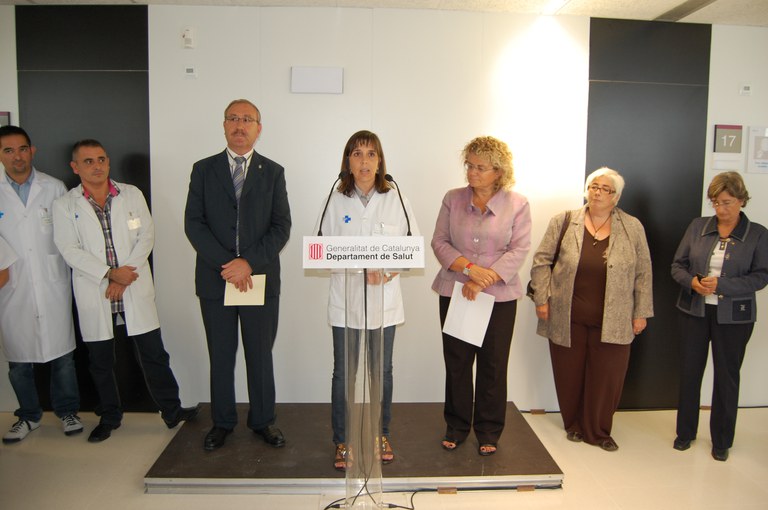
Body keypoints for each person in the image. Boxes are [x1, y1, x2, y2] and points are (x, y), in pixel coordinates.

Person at [53, 139, 199, 443]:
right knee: (101, 362)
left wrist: (122, 277)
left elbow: (146, 236)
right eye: (88, 161)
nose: (97, 166)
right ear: (75, 167)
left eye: (101, 159)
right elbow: (69, 249)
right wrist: (108, 274)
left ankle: (172, 411)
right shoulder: (65, 205)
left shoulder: (131, 194)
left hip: (131, 285)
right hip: (96, 289)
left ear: (108, 162)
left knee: (154, 355)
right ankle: (110, 417)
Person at [185, 99, 291, 451]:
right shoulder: (203, 169)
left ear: (259, 128)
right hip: (215, 280)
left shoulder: (272, 172)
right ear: (224, 125)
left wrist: (248, 263)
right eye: (233, 118)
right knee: (221, 355)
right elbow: (194, 224)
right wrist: (228, 265)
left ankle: (263, 421)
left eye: (247, 119)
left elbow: (281, 227)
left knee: (260, 355)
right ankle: (222, 422)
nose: (239, 125)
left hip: (258, 279)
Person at [315, 130, 420, 470]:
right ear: (348, 161)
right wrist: (352, 265)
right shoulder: (334, 199)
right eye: (357, 153)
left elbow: (412, 248)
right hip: (345, 300)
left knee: (381, 372)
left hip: (383, 300)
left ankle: (381, 434)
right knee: (343, 374)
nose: (364, 161)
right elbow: (318, 250)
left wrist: (387, 271)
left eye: (371, 154)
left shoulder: (395, 198)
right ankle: (342, 440)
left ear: (380, 161)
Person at [529, 167, 653, 452]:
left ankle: (598, 431)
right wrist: (542, 299)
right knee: (569, 374)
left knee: (607, 376)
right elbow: (541, 261)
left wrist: (641, 312)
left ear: (616, 197)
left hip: (615, 318)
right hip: (566, 316)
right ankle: (573, 425)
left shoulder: (632, 226)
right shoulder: (564, 221)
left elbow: (644, 272)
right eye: (594, 186)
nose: (598, 192)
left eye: (606, 189)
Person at [431, 136, 531, 456]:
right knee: (458, 363)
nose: (472, 172)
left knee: (493, 365)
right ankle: (457, 426)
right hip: (456, 290)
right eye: (469, 165)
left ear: (498, 172)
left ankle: (488, 430)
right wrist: (470, 270)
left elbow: (519, 249)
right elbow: (440, 242)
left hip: (499, 297)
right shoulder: (452, 198)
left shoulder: (518, 204)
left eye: (480, 167)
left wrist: (484, 279)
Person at [670, 171, 768, 462]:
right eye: (715, 202)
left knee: (727, 377)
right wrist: (693, 282)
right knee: (690, 373)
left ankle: (722, 440)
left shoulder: (758, 234)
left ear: (741, 200)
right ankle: (685, 433)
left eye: (726, 202)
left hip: (735, 317)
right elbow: (677, 266)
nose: (720, 208)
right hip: (694, 311)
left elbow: (761, 276)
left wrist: (722, 285)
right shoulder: (697, 226)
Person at [0, 125, 83, 443]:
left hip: (51, 281)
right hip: (12, 285)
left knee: (63, 357)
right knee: (18, 360)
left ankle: (68, 411)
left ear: (32, 150)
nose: (17, 156)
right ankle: (29, 416)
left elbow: (69, 234)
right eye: (8, 150)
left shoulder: (54, 187)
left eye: (22, 149)